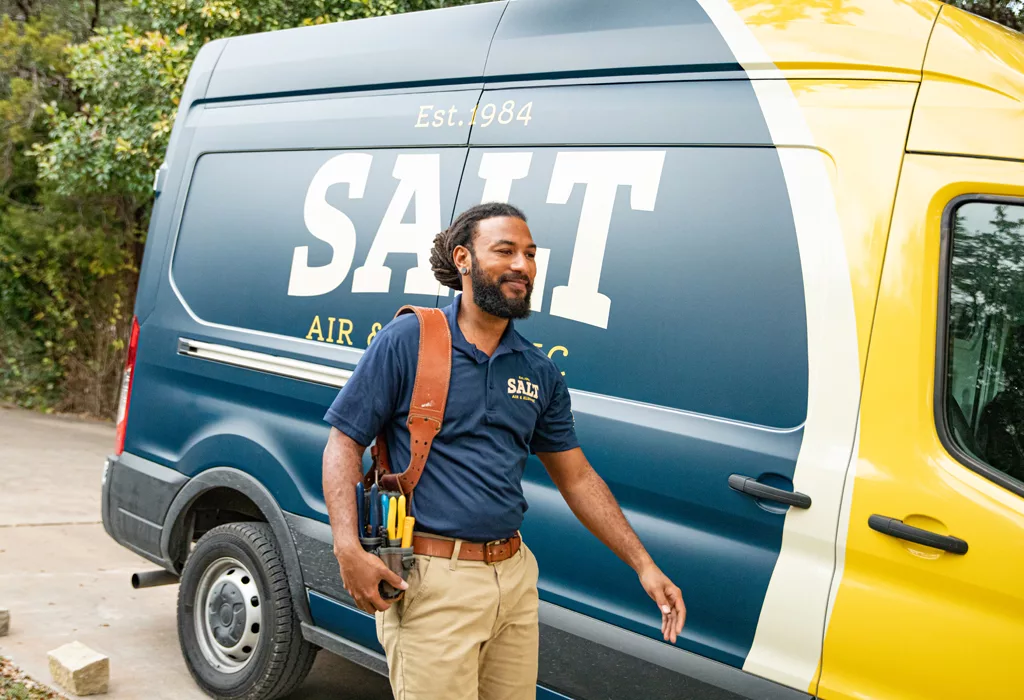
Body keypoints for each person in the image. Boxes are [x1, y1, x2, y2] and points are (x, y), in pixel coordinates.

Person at [321, 202, 685, 700]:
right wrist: (346, 547)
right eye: (505, 251)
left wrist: (643, 564)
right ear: (463, 259)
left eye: (530, 254)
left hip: (513, 578)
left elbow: (578, 478)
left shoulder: (538, 370)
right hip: (432, 581)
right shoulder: (409, 340)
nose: (522, 265)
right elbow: (344, 443)